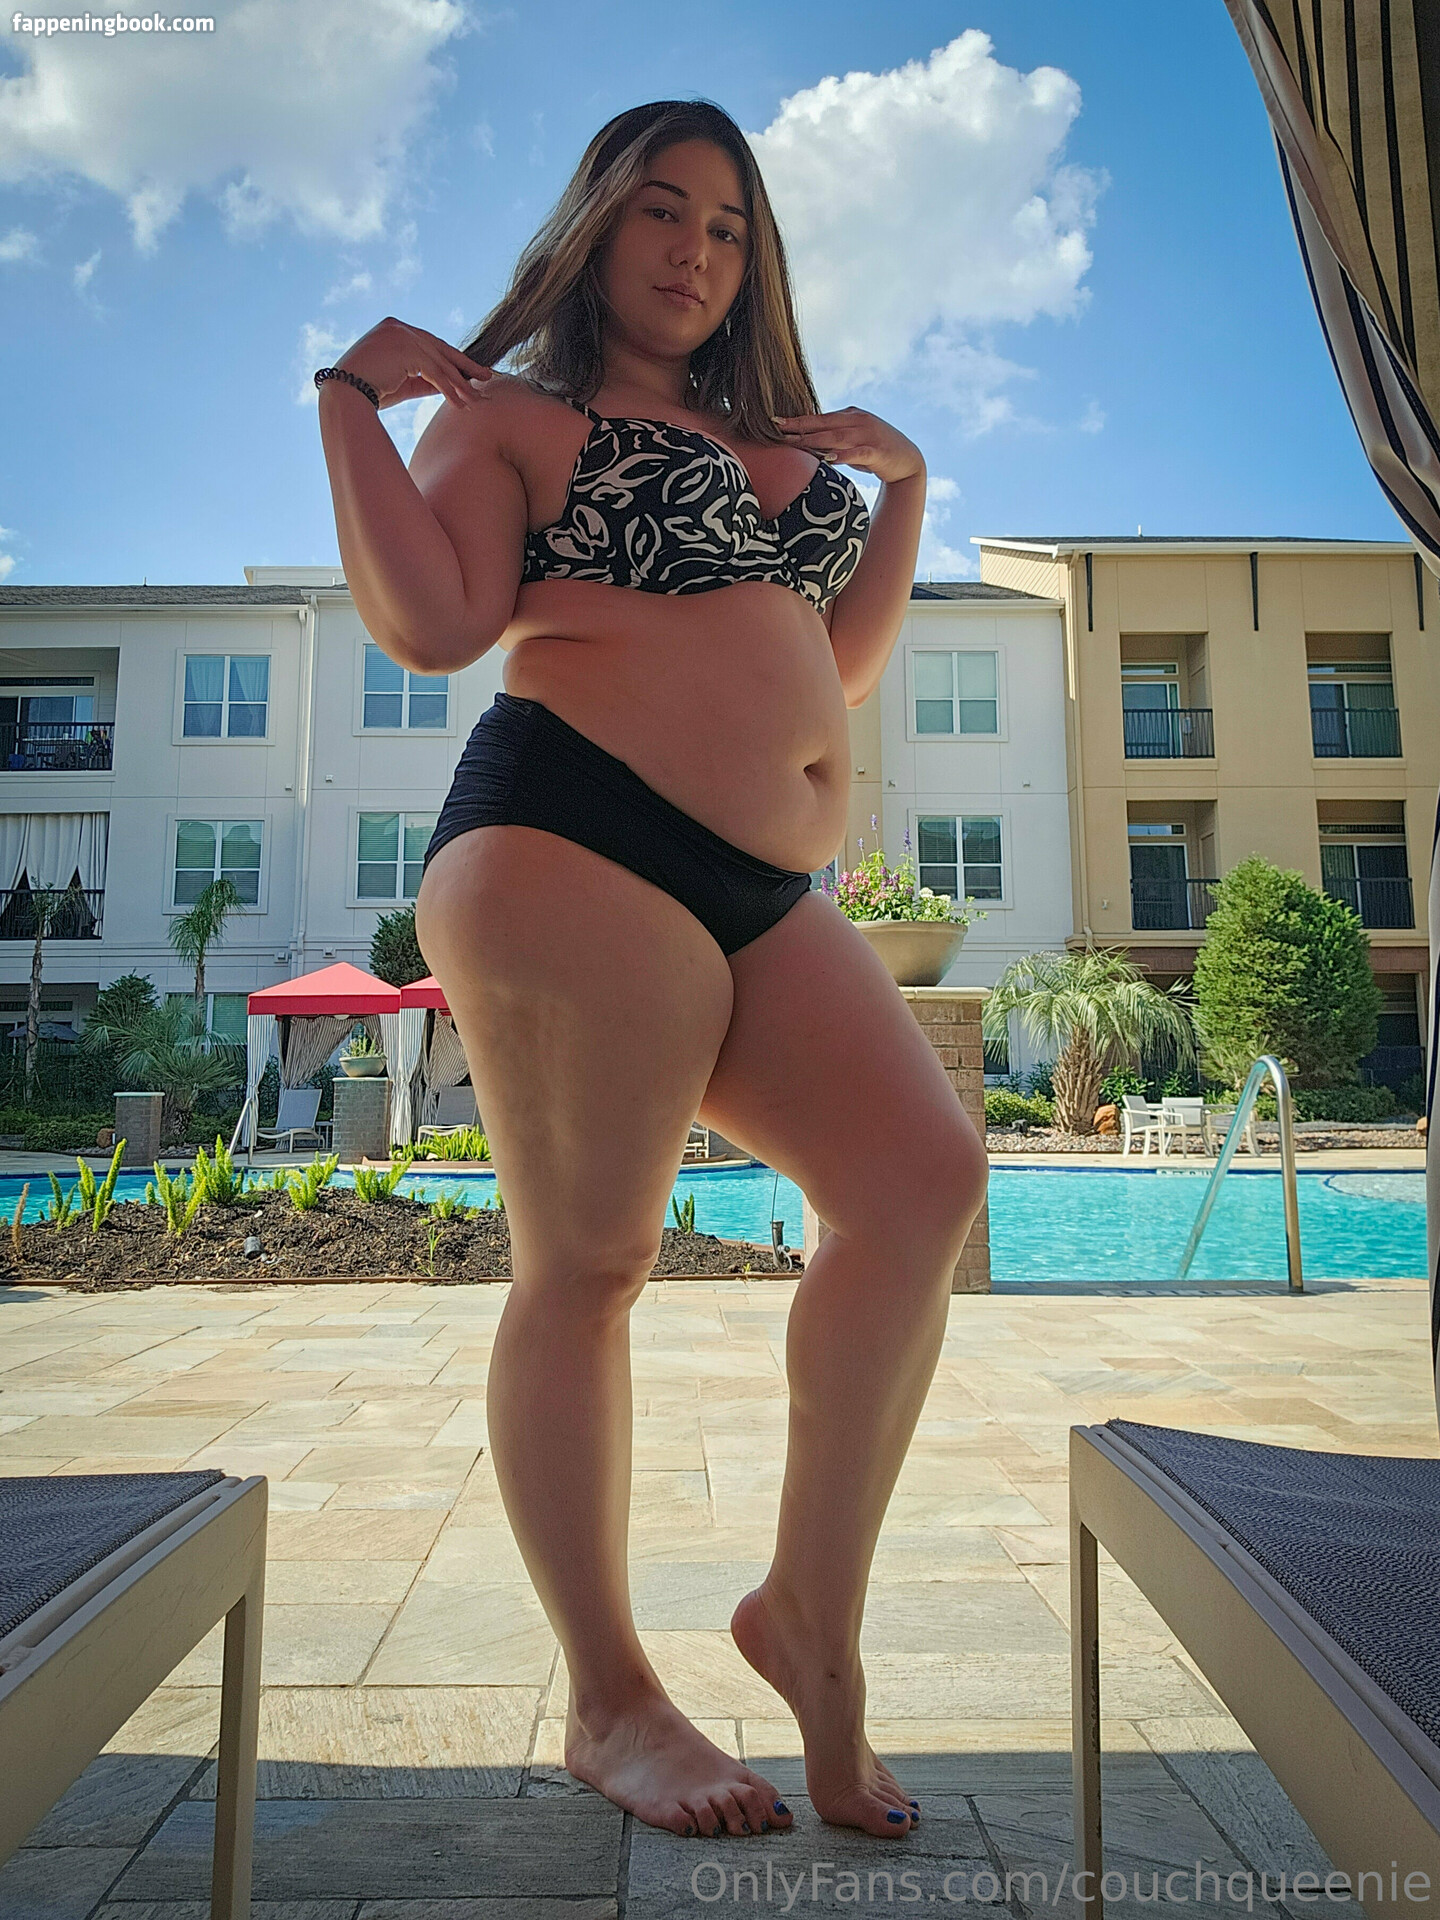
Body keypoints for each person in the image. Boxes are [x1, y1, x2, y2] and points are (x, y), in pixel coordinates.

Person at [316, 97, 987, 1846]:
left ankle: (807, 1616)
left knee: (922, 1182)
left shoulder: (769, 442)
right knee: (593, 1264)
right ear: (596, 223)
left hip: (760, 886)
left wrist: (905, 494)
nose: (697, 250)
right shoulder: (510, 415)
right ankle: (610, 1699)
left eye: (731, 226)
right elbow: (435, 626)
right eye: (663, 211)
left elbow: (837, 668)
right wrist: (346, 410)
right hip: (570, 833)